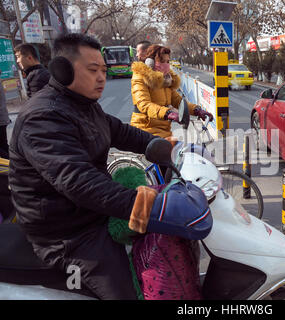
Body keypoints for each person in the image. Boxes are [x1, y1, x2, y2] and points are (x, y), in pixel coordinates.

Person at [8, 33, 168, 300]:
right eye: (93, 70)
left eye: (103, 70)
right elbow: (78, 180)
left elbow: (124, 133)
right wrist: (150, 204)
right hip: (66, 235)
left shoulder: (84, 106)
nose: (101, 77)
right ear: (63, 70)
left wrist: (169, 148)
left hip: (89, 215)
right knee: (125, 291)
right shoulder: (43, 117)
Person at [130, 44, 213, 139]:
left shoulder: (166, 80)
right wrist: (168, 113)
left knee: (180, 150)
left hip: (164, 130)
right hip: (144, 129)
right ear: (150, 62)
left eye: (167, 61)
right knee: (174, 149)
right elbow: (144, 104)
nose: (166, 64)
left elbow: (178, 101)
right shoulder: (140, 77)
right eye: (162, 61)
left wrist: (197, 110)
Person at [0, 71, 10, 159]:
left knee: (2, 146)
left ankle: (14, 165)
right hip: (2, 118)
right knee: (3, 145)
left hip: (1, 120)